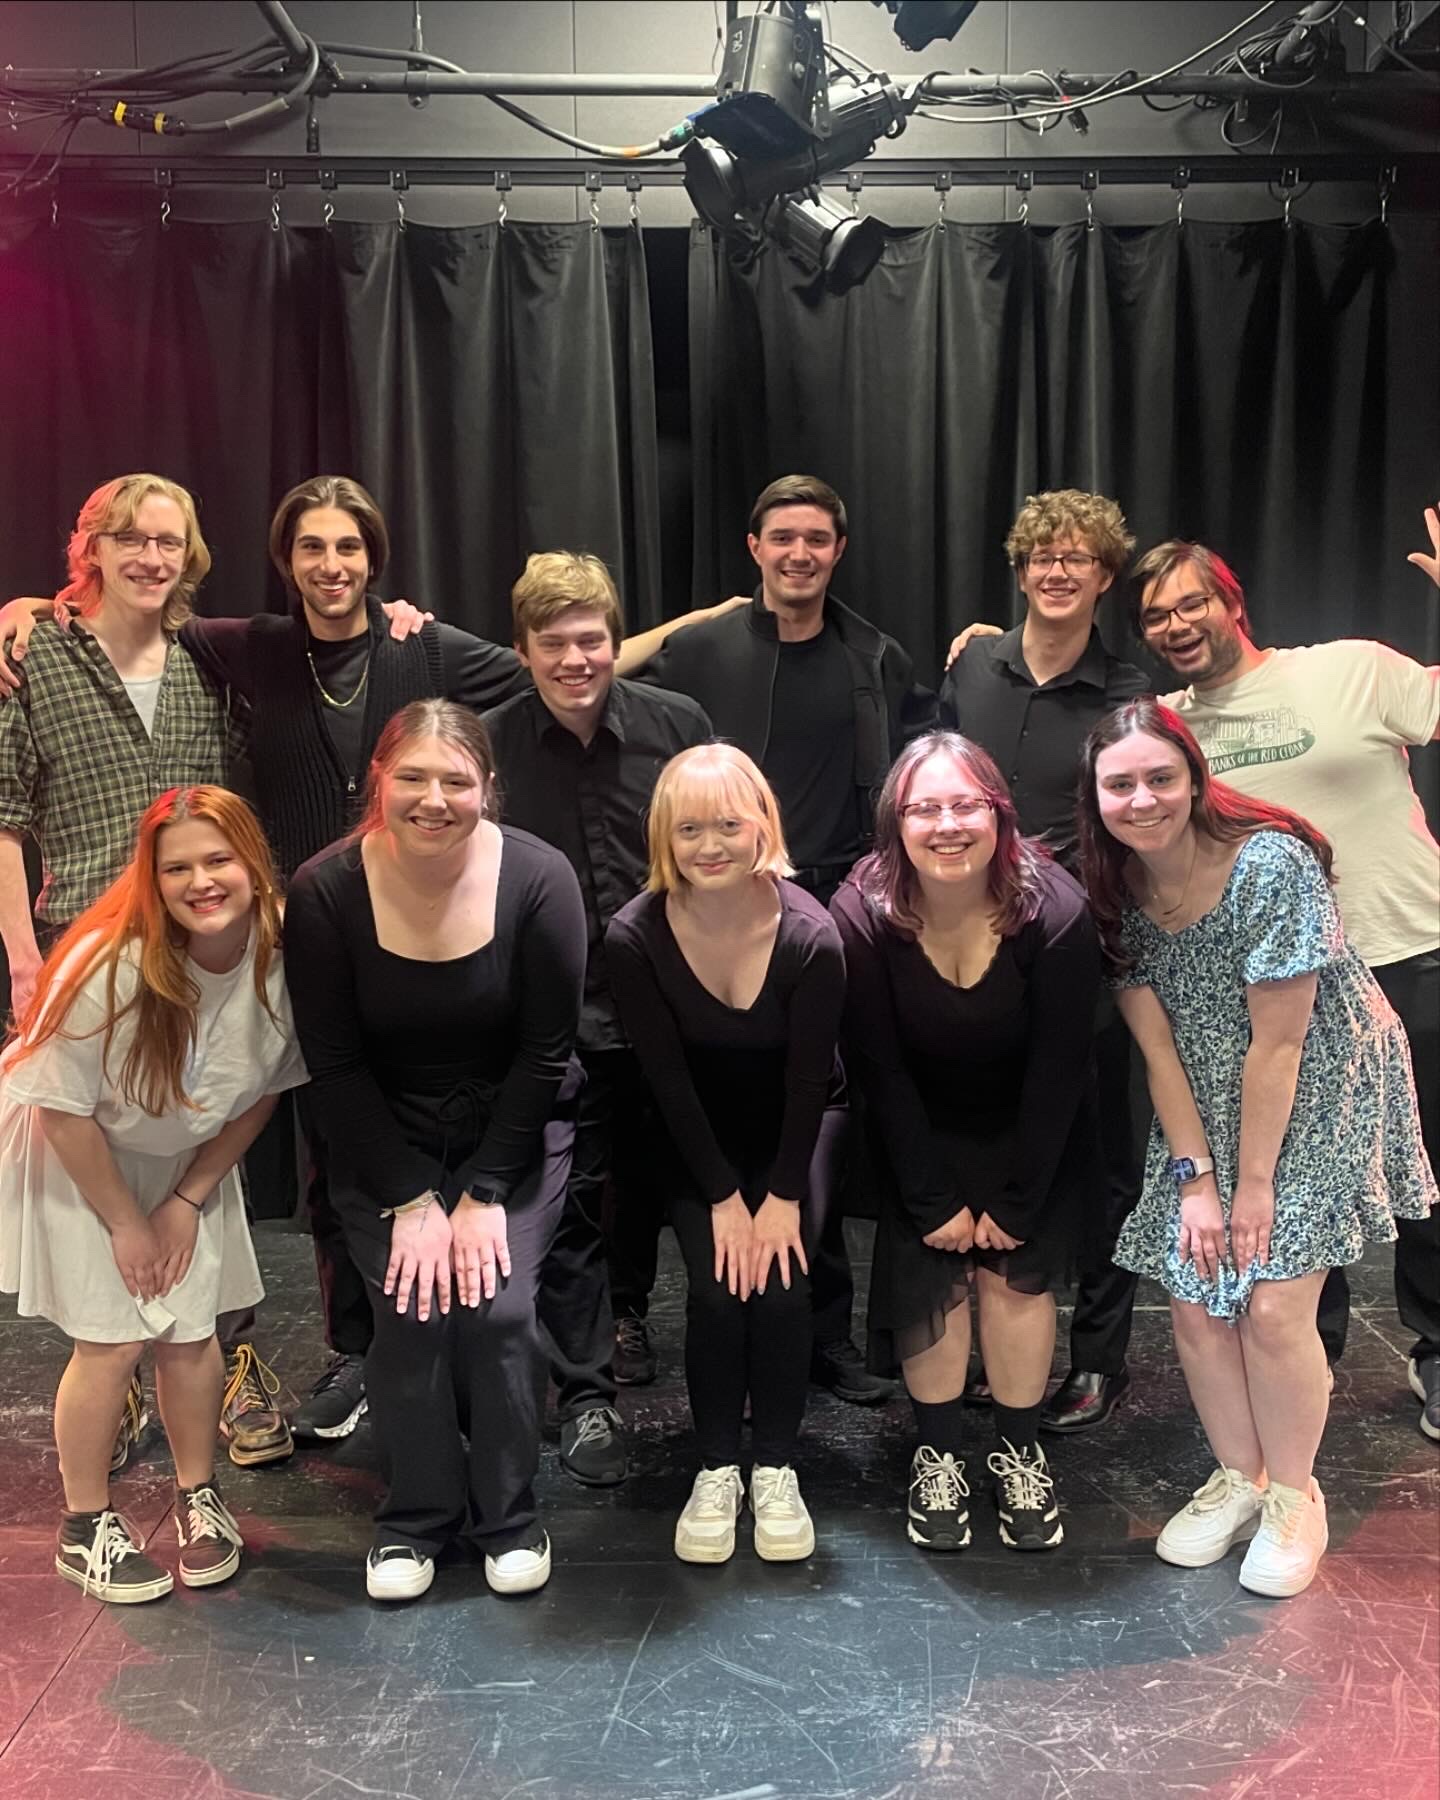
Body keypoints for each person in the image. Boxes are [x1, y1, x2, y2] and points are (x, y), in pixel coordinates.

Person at [0, 476, 730, 1456]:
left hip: (389, 937)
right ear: (285, 560)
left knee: (498, 1170)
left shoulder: (415, 645)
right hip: (265, 938)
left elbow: (561, 660)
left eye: (349, 548)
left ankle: (540, 1371)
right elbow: (119, 638)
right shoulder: (246, 645)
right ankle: (328, 1354)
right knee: (315, 1157)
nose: (331, 566)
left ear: (375, 563)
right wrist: (38, 607)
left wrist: (690, 622)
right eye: (313, 548)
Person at [1078, 699, 1436, 1596]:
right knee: (1196, 1296)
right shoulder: (1112, 890)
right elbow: (1158, 1047)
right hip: (1200, 1086)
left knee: (1273, 1302)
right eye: (1120, 783)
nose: (1143, 799)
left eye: (1161, 777)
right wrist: (1197, 1179)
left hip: (1315, 1076)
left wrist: (1254, 1189)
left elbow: (1279, 1045)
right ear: (1095, 796)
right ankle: (1242, 1478)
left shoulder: (1267, 865)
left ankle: (1296, 1495)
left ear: (1195, 777)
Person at [1131, 527, 1440, 1441]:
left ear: (1233, 602)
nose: (1179, 623)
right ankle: (1309, 1354)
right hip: (1274, 982)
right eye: (1157, 616)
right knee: (1295, 1179)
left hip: (1407, 947)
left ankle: (1437, 1350)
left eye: (1193, 602)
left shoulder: (1351, 669)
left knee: (1436, 1180)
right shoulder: (1169, 723)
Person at [637, 474, 938, 1406]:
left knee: (821, 1136)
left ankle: (821, 1331)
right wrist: (694, 616)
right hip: (716, 911)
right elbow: (597, 665)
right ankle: (680, 1317)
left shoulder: (874, 655)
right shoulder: (703, 648)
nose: (799, 553)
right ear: (754, 548)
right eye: (782, 538)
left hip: (829, 921)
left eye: (816, 538)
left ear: (837, 550)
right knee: (709, 1120)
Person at [282, 700, 584, 1603]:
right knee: (411, 1313)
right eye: (412, 777)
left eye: (456, 780)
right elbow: (332, 1064)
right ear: (378, 781)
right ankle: (414, 1520)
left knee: (493, 1314)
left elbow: (545, 1052)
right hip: (384, 1138)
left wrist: (485, 1191)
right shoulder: (326, 889)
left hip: (513, 1132)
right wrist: (412, 1200)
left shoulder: (539, 877)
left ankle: (508, 1516)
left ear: (486, 787)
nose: (434, 798)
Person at [0, 786, 305, 1603]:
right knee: (111, 1338)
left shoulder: (281, 950)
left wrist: (188, 1198)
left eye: (219, 860)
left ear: (252, 864)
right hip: (83, 1158)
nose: (201, 881)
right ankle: (84, 1525)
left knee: (191, 1328)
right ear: (153, 877)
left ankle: (199, 1495)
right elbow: (63, 1111)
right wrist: (128, 1223)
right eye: (178, 868)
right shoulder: (109, 964)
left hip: (189, 1156)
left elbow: (262, 1093)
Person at [0, 474, 238, 1472]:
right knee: (101, 1197)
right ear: (88, 548)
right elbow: (4, 816)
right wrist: (20, 960)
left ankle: (206, 1380)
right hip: (82, 968)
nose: (151, 558)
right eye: (131, 539)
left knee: (197, 1186)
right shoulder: (34, 658)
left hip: (199, 975)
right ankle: (118, 1377)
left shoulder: (205, 662)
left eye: (170, 542)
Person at [831, 732, 1102, 1555]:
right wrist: (931, 1198)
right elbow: (878, 1068)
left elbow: (1061, 1070)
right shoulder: (861, 911)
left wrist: (1016, 1198)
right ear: (896, 824)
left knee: (1017, 1277)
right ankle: (940, 1453)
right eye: (924, 809)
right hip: (921, 1122)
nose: (946, 825)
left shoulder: (1055, 909)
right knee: (930, 1272)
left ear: (998, 814)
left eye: (965, 805)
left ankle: (1020, 1452)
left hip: (1032, 1122)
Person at [482, 552, 712, 1486]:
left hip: (675, 998)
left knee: (679, 1181)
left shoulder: (679, 726)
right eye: (554, 644)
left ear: (615, 641)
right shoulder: (486, 742)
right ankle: (588, 1388)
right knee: (576, 1202)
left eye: (591, 640)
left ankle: (727, 1369)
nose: (576, 659)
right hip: (548, 1012)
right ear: (523, 651)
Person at [939, 490, 1149, 1433]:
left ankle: (1098, 1358)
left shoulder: (1131, 692)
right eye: (1042, 557)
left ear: (1104, 576)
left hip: (1088, 958)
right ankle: (977, 1351)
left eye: (1078, 558)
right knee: (978, 1147)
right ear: (1021, 570)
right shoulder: (973, 666)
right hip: (968, 953)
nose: (1058, 571)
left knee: (1102, 1164)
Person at [606, 745, 846, 1563]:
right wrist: (721, 1198)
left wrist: (778, 1198)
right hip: (692, 1133)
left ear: (762, 830)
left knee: (779, 1284)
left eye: (729, 825)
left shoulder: (814, 936)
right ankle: (717, 1468)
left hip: (791, 1128)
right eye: (689, 829)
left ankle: (774, 1466)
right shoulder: (633, 936)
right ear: (664, 840)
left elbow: (811, 1081)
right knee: (716, 1288)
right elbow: (666, 1081)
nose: (710, 845)